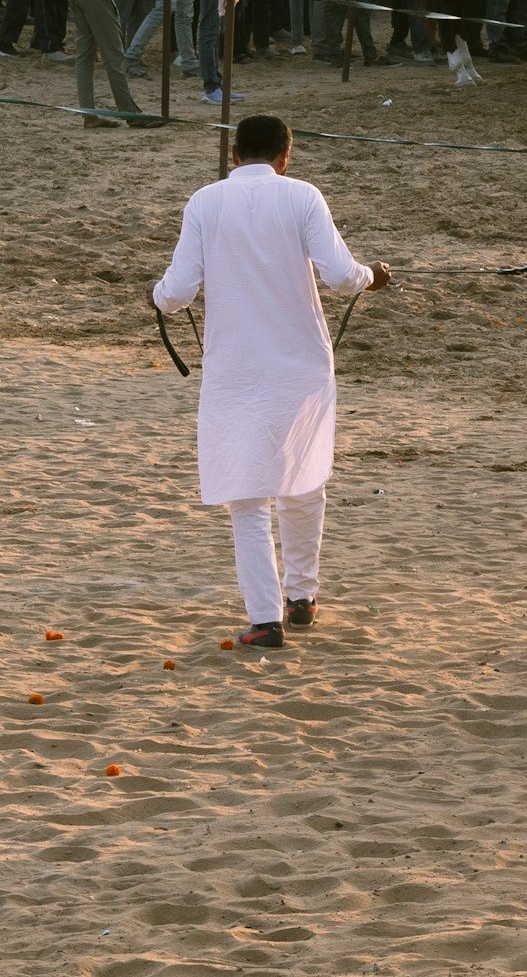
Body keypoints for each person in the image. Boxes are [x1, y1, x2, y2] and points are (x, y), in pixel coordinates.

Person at [151, 114, 391, 649]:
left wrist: (155, 295)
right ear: (287, 154)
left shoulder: (204, 202)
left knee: (247, 494)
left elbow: (178, 292)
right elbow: (341, 275)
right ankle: (302, 595)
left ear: (233, 154)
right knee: (304, 479)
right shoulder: (303, 196)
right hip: (301, 363)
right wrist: (373, 276)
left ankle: (266, 619)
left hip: (236, 370)